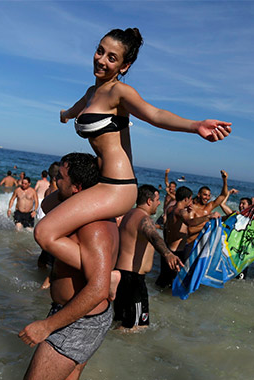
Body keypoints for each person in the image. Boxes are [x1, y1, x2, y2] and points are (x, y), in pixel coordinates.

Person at [35, 27, 231, 280]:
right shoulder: (91, 93)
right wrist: (64, 116)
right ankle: (96, 255)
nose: (101, 60)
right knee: (48, 203)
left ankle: (106, 275)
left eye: (111, 58)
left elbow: (156, 115)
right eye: (100, 51)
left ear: (124, 66)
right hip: (102, 183)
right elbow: (74, 110)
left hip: (118, 186)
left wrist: (195, 126)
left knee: (43, 233)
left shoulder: (120, 92)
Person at [19, 152, 117, 380]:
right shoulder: (77, 211)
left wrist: (46, 326)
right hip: (74, 314)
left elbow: (98, 290)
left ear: (77, 188)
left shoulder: (94, 226)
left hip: (81, 320)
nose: (53, 180)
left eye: (59, 177)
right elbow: (47, 203)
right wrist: (68, 192)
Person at [114, 184, 183, 329]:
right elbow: (153, 237)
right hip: (133, 280)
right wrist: (168, 254)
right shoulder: (144, 219)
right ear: (149, 201)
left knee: (121, 322)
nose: (159, 203)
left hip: (121, 276)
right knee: (136, 327)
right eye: (157, 200)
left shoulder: (129, 214)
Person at [155, 186, 220, 288]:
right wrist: (208, 217)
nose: (191, 201)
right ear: (186, 199)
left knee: (162, 280)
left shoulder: (170, 208)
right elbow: (190, 222)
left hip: (167, 249)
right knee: (174, 283)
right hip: (177, 253)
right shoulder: (181, 212)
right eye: (190, 199)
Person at [184, 170, 230, 258]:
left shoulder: (209, 206)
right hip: (191, 245)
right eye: (205, 195)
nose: (207, 198)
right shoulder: (191, 208)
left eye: (209, 195)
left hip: (203, 245)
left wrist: (225, 180)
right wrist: (208, 224)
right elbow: (189, 231)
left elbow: (223, 195)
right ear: (198, 194)